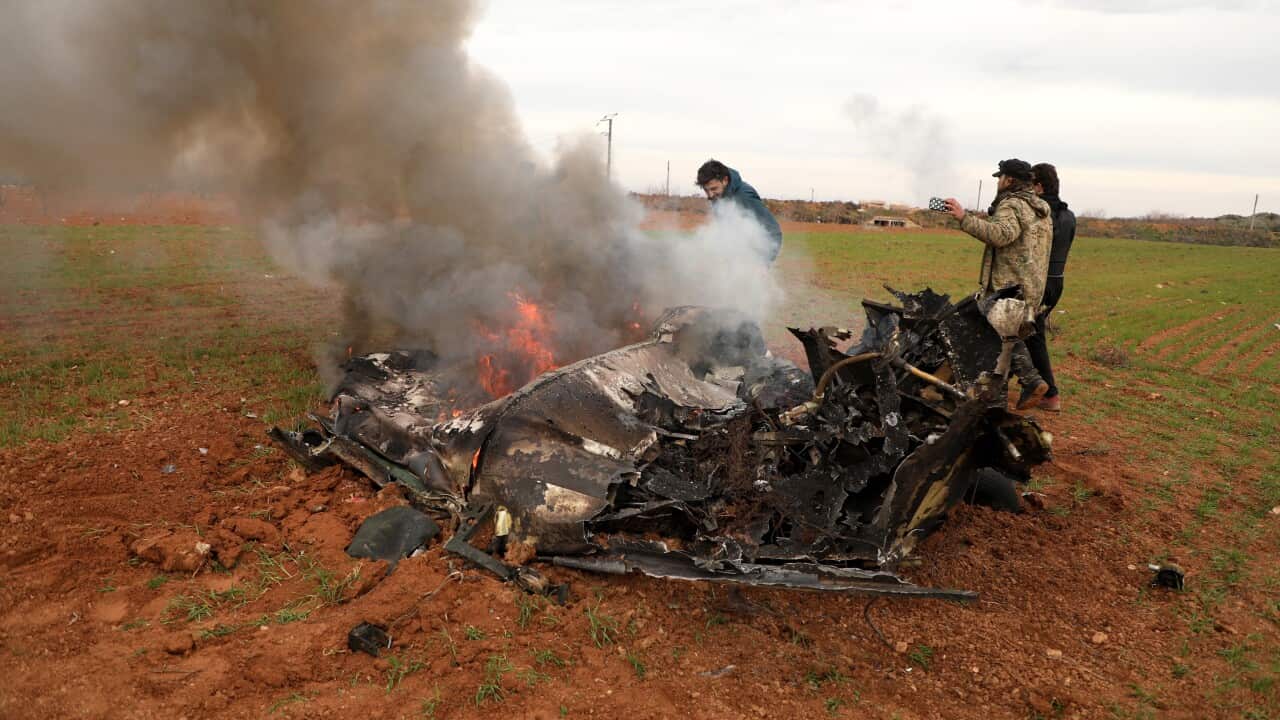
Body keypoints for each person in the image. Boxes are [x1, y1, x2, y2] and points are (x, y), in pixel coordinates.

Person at [943, 159, 1052, 410]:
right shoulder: (1041, 208)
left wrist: (963, 218)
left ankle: (1030, 381)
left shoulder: (1012, 204)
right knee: (1003, 342)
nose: (998, 182)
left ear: (1009, 180)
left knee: (994, 338)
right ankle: (997, 402)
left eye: (1000, 178)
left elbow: (1001, 235)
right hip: (1032, 287)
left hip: (1008, 287)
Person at [1026, 163, 1076, 412]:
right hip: (1057, 282)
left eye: (1030, 184)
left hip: (1038, 283)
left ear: (1039, 186)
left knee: (1026, 335)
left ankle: (1048, 392)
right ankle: (1038, 388)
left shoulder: (1039, 213)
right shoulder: (1069, 216)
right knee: (1030, 333)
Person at [695, 159, 783, 262]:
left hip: (752, 259)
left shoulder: (744, 196)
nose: (710, 195)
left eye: (714, 189)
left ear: (725, 180)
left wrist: (762, 264)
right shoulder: (719, 196)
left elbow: (774, 232)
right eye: (706, 190)